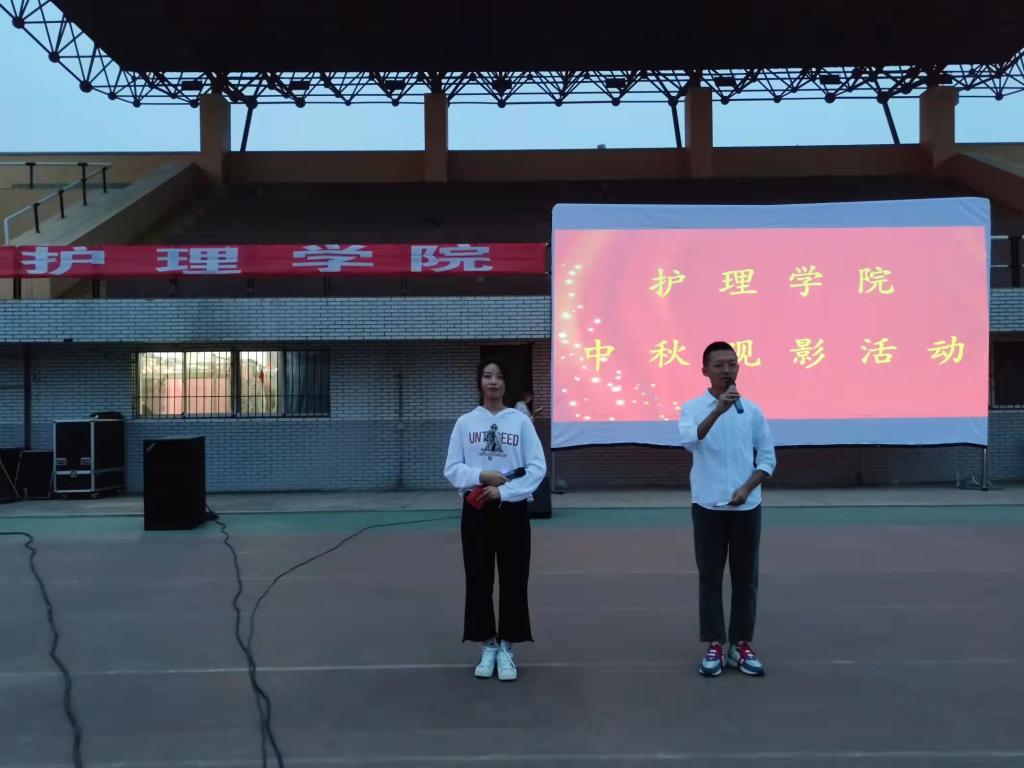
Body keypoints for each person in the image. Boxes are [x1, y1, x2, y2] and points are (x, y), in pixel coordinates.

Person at [444, 357, 547, 681]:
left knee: (514, 580)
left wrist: (504, 492)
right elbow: (452, 468)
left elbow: (537, 467)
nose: (493, 382)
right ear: (480, 382)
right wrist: (481, 475)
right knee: (478, 578)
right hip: (476, 511)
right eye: (487, 376)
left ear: (506, 384)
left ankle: (507, 648)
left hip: (511, 511)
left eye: (499, 376)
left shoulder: (520, 422)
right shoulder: (465, 423)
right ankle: (487, 644)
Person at [678, 341, 776, 678]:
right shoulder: (693, 408)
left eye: (732, 364)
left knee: (746, 578)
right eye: (719, 365)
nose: (726, 370)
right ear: (705, 371)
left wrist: (747, 488)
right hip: (708, 506)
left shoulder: (753, 411)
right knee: (710, 577)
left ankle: (741, 643)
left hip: (747, 507)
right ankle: (715, 644)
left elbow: (767, 459)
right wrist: (718, 410)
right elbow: (689, 441)